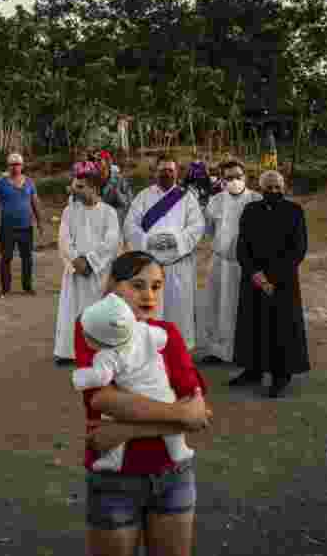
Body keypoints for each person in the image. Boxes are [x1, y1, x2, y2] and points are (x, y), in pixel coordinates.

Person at [75, 251, 213, 556]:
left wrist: (125, 432)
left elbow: (199, 414)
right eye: (137, 285)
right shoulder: (93, 328)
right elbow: (104, 399)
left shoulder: (169, 334)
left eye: (156, 286)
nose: (148, 295)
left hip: (174, 474)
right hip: (114, 480)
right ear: (112, 286)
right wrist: (178, 415)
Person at [73, 292, 193, 472]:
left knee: (110, 418)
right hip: (163, 393)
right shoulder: (143, 330)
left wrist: (81, 377)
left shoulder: (106, 356)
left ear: (98, 340)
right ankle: (179, 450)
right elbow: (163, 338)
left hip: (134, 399)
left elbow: (101, 377)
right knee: (174, 434)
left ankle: (113, 459)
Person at [231, 170, 311, 398]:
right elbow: (242, 246)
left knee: (281, 328)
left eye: (277, 187)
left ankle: (281, 375)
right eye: (269, 187)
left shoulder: (294, 212)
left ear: (283, 188)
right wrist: (255, 274)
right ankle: (253, 369)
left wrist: (272, 278)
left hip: (282, 282)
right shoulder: (251, 210)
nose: (273, 191)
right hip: (254, 280)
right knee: (252, 324)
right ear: (261, 188)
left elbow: (298, 249)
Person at [123, 156, 205, 350]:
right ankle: (150, 350)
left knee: (179, 310)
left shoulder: (187, 197)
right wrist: (146, 241)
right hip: (151, 266)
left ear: (177, 173)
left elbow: (197, 226)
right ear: (155, 172)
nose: (166, 173)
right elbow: (129, 225)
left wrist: (176, 240)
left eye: (170, 170)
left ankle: (180, 350)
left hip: (179, 265)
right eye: (162, 170)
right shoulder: (143, 196)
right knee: (151, 309)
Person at [194, 159, 262, 364]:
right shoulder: (215, 201)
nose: (234, 181)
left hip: (248, 263)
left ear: (245, 177)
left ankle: (248, 350)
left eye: (237, 177)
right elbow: (208, 231)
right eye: (228, 178)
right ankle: (219, 350)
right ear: (222, 180)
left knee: (244, 305)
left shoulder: (256, 199)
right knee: (217, 304)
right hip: (221, 262)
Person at [54, 164, 122, 365]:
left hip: (98, 273)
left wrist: (91, 262)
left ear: (94, 188)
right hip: (76, 272)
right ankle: (69, 351)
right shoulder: (69, 211)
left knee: (97, 311)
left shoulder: (108, 212)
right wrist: (76, 260)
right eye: (75, 186)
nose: (75, 190)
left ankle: (98, 351)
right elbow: (63, 239)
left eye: (80, 187)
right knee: (72, 311)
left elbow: (111, 241)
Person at [0, 153, 45, 298]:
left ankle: (27, 287)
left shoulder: (29, 183)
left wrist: (39, 222)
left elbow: (35, 203)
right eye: (12, 164)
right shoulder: (1, 183)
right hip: (7, 228)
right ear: (8, 166)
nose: (15, 167)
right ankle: (5, 288)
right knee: (6, 258)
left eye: (18, 164)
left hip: (26, 228)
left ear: (22, 166)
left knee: (27, 258)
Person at [96, 150, 135, 230]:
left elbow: (129, 200)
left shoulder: (119, 179)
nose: (96, 162)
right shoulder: (94, 179)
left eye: (99, 160)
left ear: (107, 162)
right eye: (96, 160)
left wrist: (117, 191)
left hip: (119, 213)